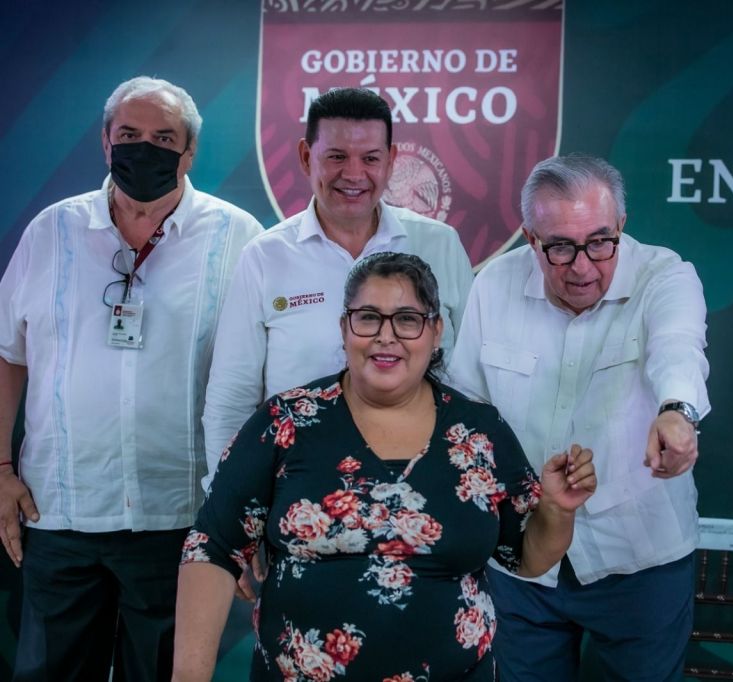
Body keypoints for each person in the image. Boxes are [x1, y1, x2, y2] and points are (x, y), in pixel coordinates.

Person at [173, 252, 595, 681]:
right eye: (369, 318)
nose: (385, 336)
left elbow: (526, 556)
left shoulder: (479, 431)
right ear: (344, 327)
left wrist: (557, 510)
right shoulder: (287, 422)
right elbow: (212, 546)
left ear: (435, 331)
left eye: (407, 319)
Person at [0, 76, 262, 681]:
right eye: (129, 135)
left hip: (181, 518)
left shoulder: (239, 238)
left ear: (190, 151)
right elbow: (7, 353)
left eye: (164, 138)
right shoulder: (50, 232)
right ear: (105, 142)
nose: (144, 149)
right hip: (60, 513)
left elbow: (262, 381)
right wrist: (0, 468)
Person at [448, 154, 710, 681]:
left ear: (621, 227)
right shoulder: (494, 285)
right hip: (521, 558)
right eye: (561, 247)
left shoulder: (665, 275)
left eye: (600, 242)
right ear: (530, 238)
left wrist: (677, 412)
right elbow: (465, 411)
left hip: (639, 557)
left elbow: (678, 346)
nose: (583, 267)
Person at [202, 87, 474, 494]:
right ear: (305, 156)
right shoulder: (265, 256)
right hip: (298, 490)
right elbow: (231, 399)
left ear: (391, 160)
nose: (354, 174)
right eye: (336, 157)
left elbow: (469, 379)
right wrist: (231, 503)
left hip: (426, 485)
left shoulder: (439, 245)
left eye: (370, 158)